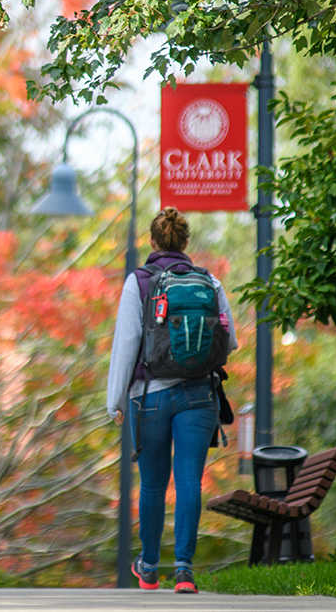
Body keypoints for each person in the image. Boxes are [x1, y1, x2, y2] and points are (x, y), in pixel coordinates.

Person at [106, 207, 238, 594]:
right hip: (199, 395)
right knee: (189, 481)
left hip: (149, 397)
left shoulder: (140, 281)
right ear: (185, 242)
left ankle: (148, 567)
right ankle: (184, 570)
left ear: (152, 242)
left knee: (151, 484)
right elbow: (228, 341)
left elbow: (126, 344)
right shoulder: (209, 282)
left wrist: (114, 400)